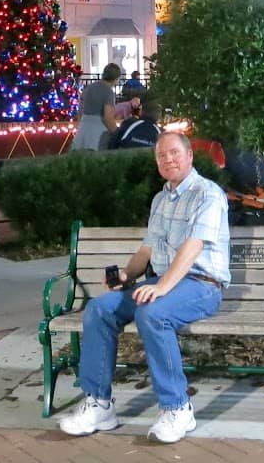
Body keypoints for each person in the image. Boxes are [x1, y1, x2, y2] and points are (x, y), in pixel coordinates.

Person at [60, 132, 228, 444]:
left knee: (153, 314)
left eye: (175, 153)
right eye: (162, 156)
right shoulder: (161, 199)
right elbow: (147, 251)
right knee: (99, 309)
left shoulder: (208, 194)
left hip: (202, 284)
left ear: (190, 156)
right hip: (163, 282)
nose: (168, 160)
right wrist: (126, 275)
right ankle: (99, 405)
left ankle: (178, 408)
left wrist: (162, 287)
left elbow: (193, 247)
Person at [73, 63, 122, 150]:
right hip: (98, 134)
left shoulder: (88, 88)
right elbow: (107, 119)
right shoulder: (108, 92)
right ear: (116, 79)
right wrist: (118, 134)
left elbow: (80, 111)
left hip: (83, 130)